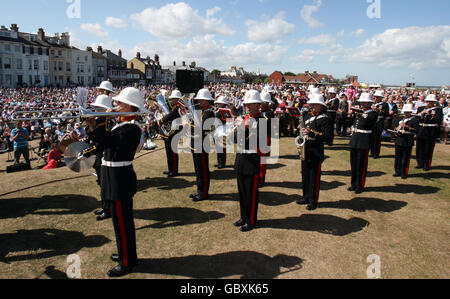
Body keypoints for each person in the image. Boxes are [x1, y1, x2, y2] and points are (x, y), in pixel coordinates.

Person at [82, 87, 146, 277]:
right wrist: (93, 126)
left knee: (123, 222)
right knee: (118, 222)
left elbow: (107, 141)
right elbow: (101, 144)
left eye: (118, 103)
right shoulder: (120, 124)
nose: (114, 105)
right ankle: (125, 253)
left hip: (120, 178)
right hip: (112, 175)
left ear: (129, 107)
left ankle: (127, 262)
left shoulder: (132, 128)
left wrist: (101, 118)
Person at [233, 90, 268, 232]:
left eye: (250, 104)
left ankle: (252, 220)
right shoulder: (244, 118)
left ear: (258, 105)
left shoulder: (262, 121)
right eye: (246, 104)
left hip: (252, 160)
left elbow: (264, 145)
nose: (246, 106)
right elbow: (235, 140)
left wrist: (244, 129)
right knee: (242, 192)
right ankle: (244, 216)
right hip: (241, 158)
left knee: (251, 193)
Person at [296, 94, 331, 210]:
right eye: (312, 104)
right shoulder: (307, 115)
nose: (312, 106)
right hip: (306, 149)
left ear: (321, 106)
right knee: (305, 174)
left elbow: (326, 137)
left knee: (313, 176)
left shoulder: (325, 118)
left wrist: (311, 132)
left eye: (315, 104)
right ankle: (305, 196)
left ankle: (313, 200)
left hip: (316, 151)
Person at [87, 94, 115, 221]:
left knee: (105, 184)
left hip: (105, 155)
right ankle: (105, 206)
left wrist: (88, 152)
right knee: (101, 183)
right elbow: (95, 138)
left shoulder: (106, 121)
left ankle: (108, 208)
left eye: (98, 108)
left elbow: (101, 142)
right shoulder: (100, 121)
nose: (96, 111)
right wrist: (91, 126)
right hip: (99, 156)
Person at [189, 89, 216, 202]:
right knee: (198, 169)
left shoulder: (209, 112)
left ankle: (203, 192)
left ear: (206, 100)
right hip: (196, 144)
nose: (199, 101)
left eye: (201, 99)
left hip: (202, 144)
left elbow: (204, 129)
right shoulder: (202, 111)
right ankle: (199, 190)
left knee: (203, 170)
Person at [348, 93, 378, 194]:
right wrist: (350, 113)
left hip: (364, 139)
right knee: (354, 164)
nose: (363, 104)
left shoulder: (373, 113)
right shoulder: (359, 112)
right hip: (355, 138)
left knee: (361, 165)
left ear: (370, 103)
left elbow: (368, 120)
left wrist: (357, 112)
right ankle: (353, 183)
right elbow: (351, 121)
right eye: (362, 102)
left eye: (365, 102)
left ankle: (360, 185)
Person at [415, 94, 443, 171]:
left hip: (430, 131)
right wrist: (420, 116)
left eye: (430, 102)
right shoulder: (421, 108)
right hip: (421, 130)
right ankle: (420, 163)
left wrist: (429, 115)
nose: (428, 103)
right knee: (419, 148)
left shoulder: (438, 110)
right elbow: (417, 119)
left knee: (428, 149)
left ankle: (426, 164)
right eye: (427, 101)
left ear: (434, 102)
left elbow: (438, 120)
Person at [159, 90, 183, 177]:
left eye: (173, 99)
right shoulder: (173, 107)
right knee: (168, 152)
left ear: (178, 99)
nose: (172, 100)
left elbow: (171, 115)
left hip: (175, 131)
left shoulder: (178, 107)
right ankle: (170, 169)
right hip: (170, 131)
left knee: (172, 152)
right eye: (171, 99)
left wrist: (161, 120)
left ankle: (174, 170)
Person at [392, 104, 419, 179]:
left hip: (408, 140)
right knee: (398, 157)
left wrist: (406, 127)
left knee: (406, 157)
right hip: (399, 139)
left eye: (408, 112)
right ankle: (397, 171)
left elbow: (416, 130)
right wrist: (396, 129)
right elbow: (395, 126)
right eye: (405, 112)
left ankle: (404, 172)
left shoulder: (414, 120)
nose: (406, 113)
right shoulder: (400, 118)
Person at [370, 90, 389, 159]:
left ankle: (376, 153)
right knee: (371, 138)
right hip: (372, 122)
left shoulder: (384, 104)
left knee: (377, 139)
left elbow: (386, 113)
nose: (376, 98)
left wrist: (377, 109)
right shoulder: (373, 104)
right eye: (376, 97)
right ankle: (372, 152)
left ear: (381, 98)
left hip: (379, 122)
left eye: (378, 97)